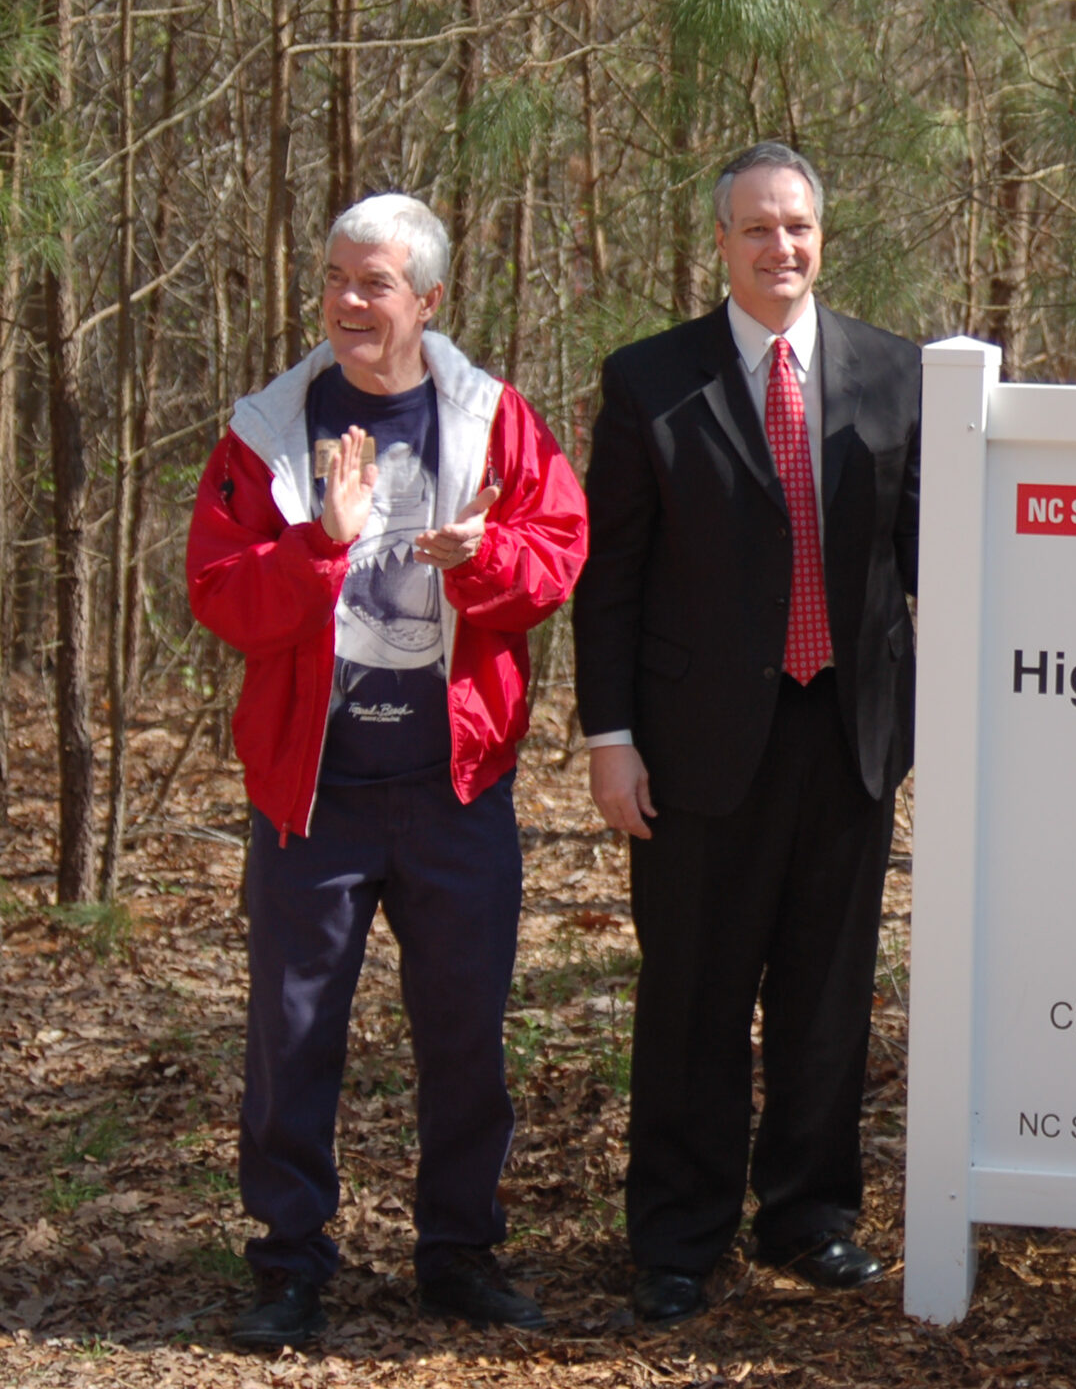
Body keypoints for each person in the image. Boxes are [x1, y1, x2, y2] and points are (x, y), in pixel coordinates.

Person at [186, 192, 589, 1348]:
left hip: (454, 788)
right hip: (313, 796)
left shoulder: (492, 419)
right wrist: (318, 542)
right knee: (293, 1033)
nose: (349, 302)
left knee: (463, 1033)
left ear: (428, 300)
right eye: (334, 279)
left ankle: (458, 1252)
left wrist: (483, 557)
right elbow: (222, 596)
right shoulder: (267, 429)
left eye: (374, 283)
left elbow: (557, 554)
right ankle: (290, 1263)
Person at [573, 142, 920, 1325]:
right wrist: (607, 736)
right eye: (758, 229)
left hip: (849, 737)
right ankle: (678, 1236)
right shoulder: (650, 381)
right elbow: (608, 575)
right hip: (697, 741)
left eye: (800, 227)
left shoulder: (896, 375)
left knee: (827, 991)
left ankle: (809, 1215)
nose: (782, 248)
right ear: (719, 244)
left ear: (825, 236)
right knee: (693, 996)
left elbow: (930, 562)